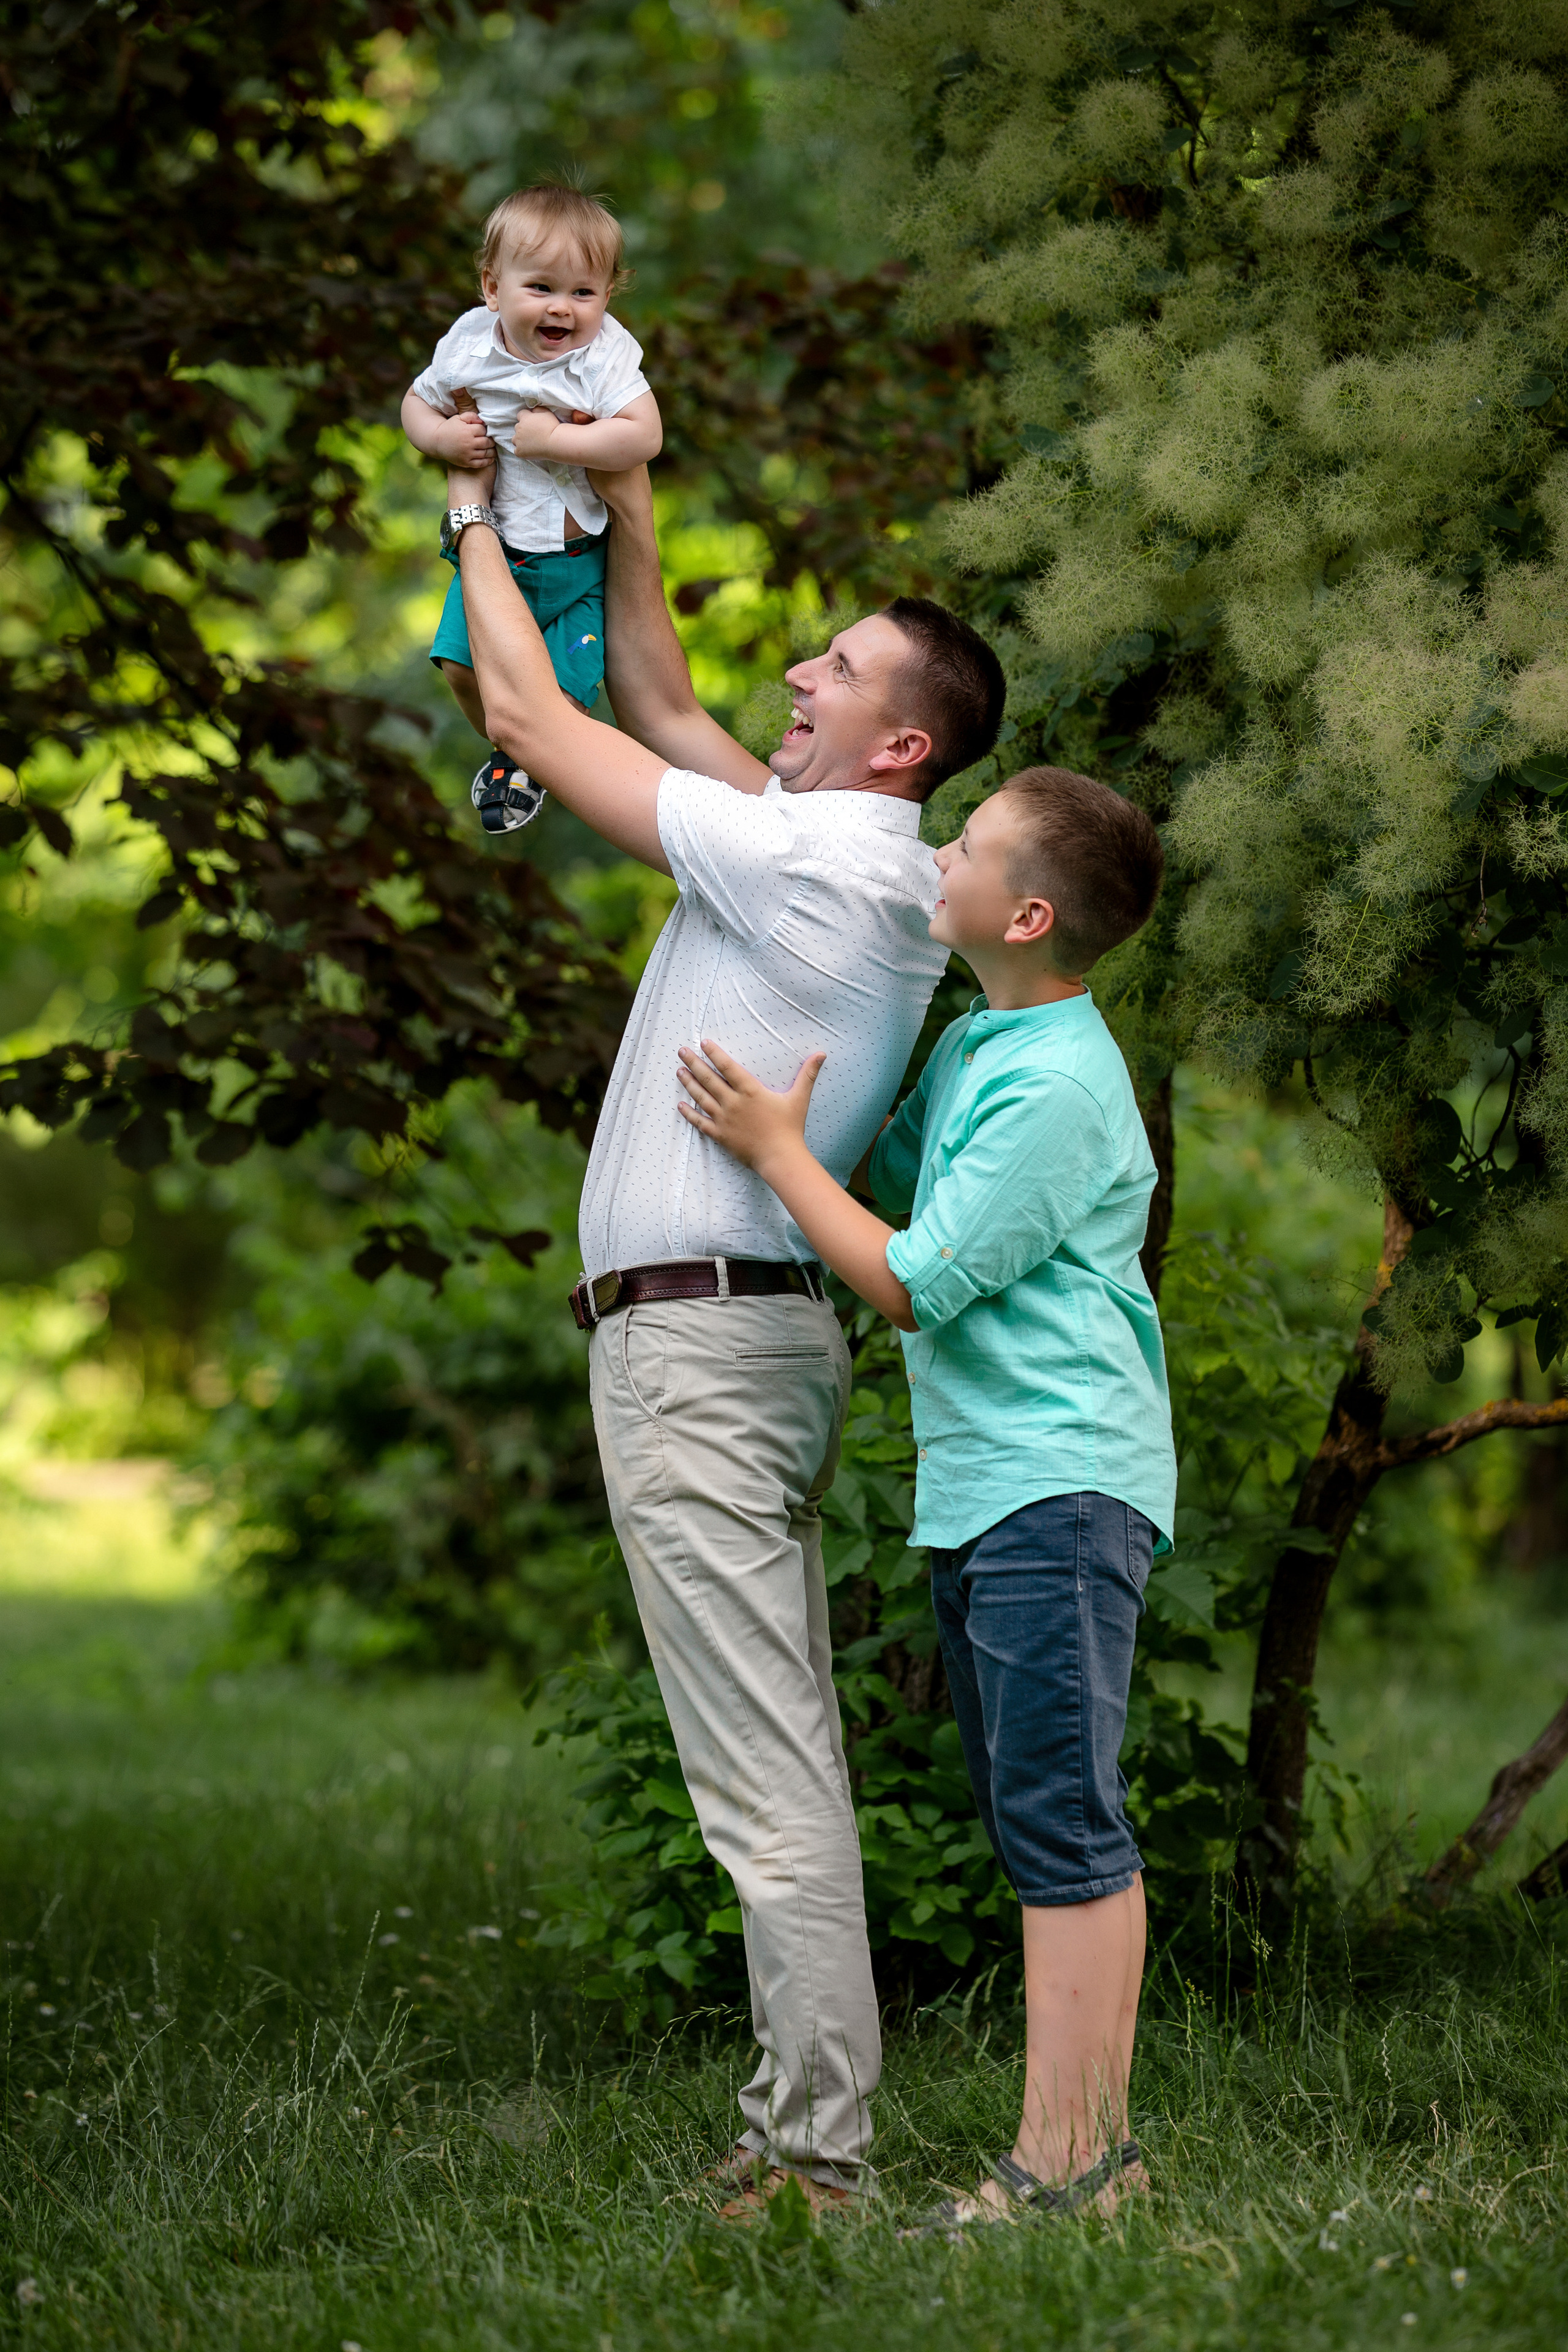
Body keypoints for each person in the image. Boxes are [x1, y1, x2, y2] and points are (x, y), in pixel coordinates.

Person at [439, 453, 1006, 2211]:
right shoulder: (812, 837)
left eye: (834, 672)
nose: (799, 681)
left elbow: (536, 716)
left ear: (900, 745)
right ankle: (799, 2131)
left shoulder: (817, 867)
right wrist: (620, 489)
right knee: (766, 1751)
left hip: (704, 1352)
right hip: (713, 1345)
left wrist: (468, 495)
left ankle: (816, 2157)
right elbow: (658, 691)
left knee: (763, 1767)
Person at [671, 764, 1176, 2232]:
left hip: (1059, 1481)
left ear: (1024, 912)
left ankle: (1070, 2162)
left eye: (961, 844)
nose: (933, 850)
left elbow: (912, 1276)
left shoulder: (1060, 1083)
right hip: (986, 1489)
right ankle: (1093, 2155)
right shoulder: (975, 1045)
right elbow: (874, 1178)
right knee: (1035, 1812)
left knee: (1062, 1822)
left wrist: (768, 1152)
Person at [402, 184, 662, 834]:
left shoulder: (603, 358)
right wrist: (440, 439)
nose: (563, 309)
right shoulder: (467, 347)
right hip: (496, 559)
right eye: (540, 288)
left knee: (565, 694)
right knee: (461, 669)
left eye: (584, 292)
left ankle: (536, 760)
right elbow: (415, 403)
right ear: (492, 288)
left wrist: (560, 441)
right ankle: (510, 751)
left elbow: (643, 435)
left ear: (608, 295)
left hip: (577, 567)